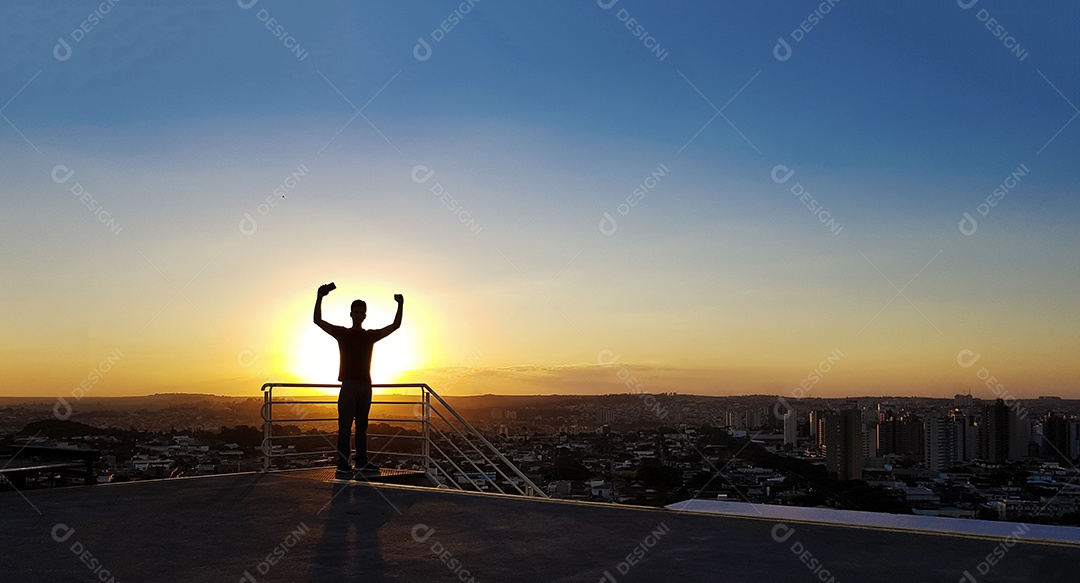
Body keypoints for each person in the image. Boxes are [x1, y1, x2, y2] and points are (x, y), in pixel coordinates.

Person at [313, 283, 404, 479]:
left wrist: (400, 305)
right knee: (345, 427)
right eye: (356, 312)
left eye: (362, 312)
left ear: (365, 315)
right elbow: (317, 320)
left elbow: (395, 326)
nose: (359, 315)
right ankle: (343, 463)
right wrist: (320, 297)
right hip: (349, 385)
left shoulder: (369, 336)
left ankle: (361, 460)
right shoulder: (343, 333)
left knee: (362, 427)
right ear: (351, 314)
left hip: (365, 385)